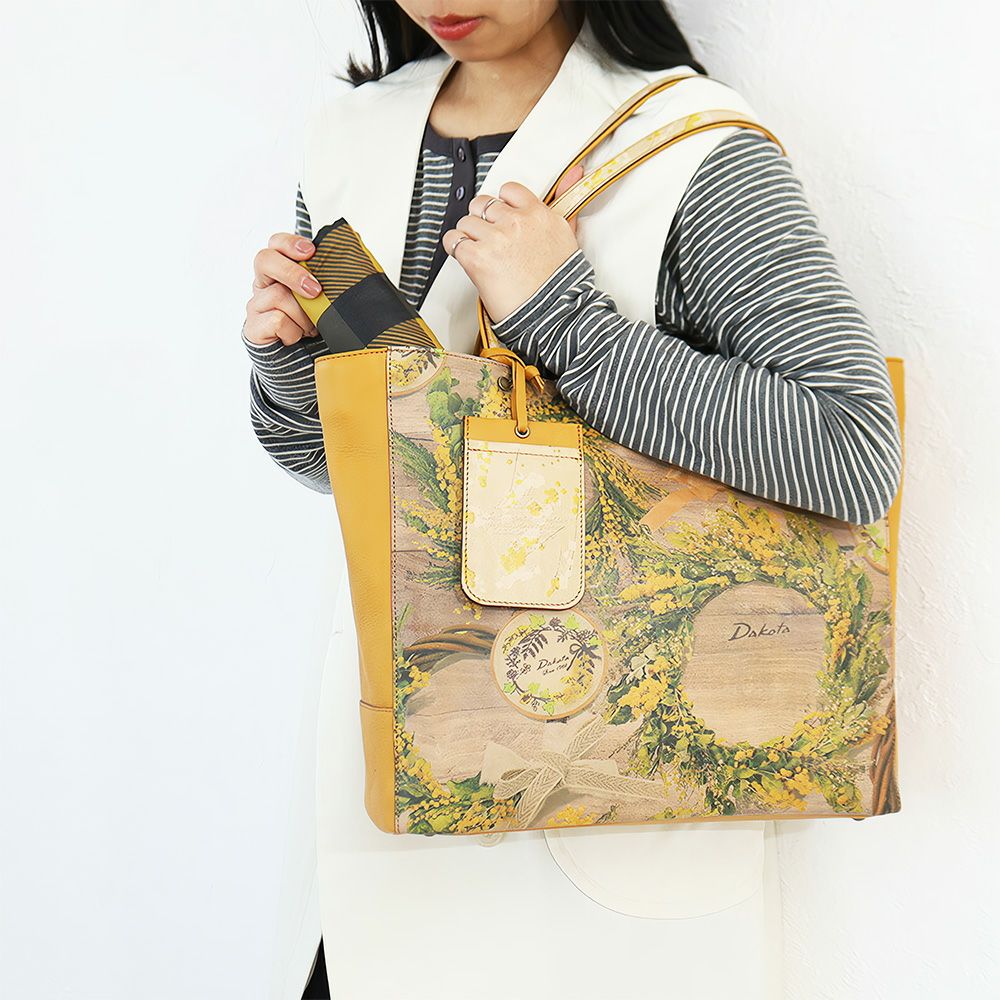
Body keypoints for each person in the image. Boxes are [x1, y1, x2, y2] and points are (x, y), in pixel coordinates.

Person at [241, 3, 902, 998]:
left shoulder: (689, 145)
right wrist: (288, 366)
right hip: (394, 788)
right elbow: (359, 478)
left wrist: (562, 319)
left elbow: (849, 453)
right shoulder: (351, 137)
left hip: (610, 813)